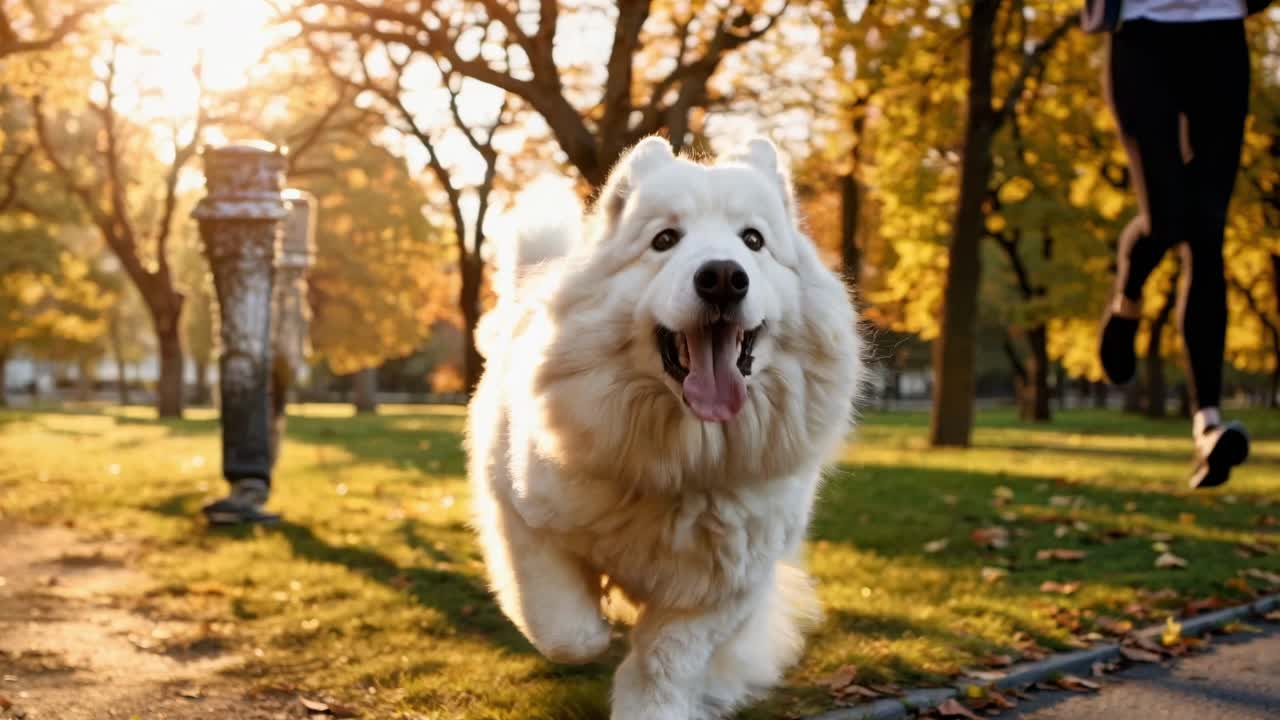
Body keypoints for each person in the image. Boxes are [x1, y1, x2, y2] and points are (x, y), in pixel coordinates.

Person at [1084, 0, 1271, 488]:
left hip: (1220, 32)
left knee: (1208, 231)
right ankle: (1127, 301)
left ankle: (1208, 424)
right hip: (1143, 34)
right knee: (1166, 219)